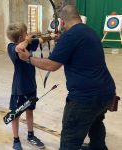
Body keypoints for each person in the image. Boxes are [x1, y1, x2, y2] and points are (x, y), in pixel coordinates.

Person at [16, 5, 116, 150]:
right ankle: (98, 147)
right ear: (79, 17)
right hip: (107, 93)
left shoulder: (70, 36)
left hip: (85, 98)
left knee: (69, 139)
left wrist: (28, 58)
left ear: (62, 22)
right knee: (95, 123)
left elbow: (52, 65)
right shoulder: (90, 31)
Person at [6, 23, 45, 150]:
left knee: (30, 111)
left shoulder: (27, 42)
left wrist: (52, 36)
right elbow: (19, 48)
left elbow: (40, 40)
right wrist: (28, 39)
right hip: (19, 88)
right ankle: (16, 140)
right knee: (15, 114)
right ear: (21, 38)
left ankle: (30, 135)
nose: (28, 34)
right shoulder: (11, 47)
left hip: (31, 86)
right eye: (25, 33)